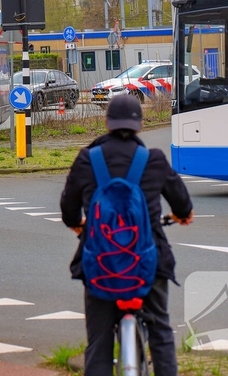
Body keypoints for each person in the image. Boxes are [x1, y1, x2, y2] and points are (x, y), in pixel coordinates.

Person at [60, 95, 194, 376]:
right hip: (149, 263)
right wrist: (182, 215)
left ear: (107, 123)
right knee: (160, 331)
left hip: (101, 265)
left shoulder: (87, 159)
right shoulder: (153, 160)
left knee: (98, 340)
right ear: (139, 126)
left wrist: (77, 223)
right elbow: (183, 203)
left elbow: (68, 209)